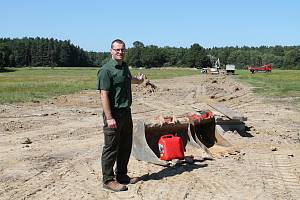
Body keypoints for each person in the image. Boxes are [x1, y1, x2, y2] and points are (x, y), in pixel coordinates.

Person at [96, 39, 145, 192]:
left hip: (126, 112)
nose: (120, 52)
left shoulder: (124, 67)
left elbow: (128, 80)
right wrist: (109, 117)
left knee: (125, 145)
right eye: (117, 49)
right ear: (111, 51)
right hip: (114, 113)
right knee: (111, 147)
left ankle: (122, 175)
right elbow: (104, 95)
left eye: (122, 49)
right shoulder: (106, 70)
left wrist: (139, 80)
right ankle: (108, 180)